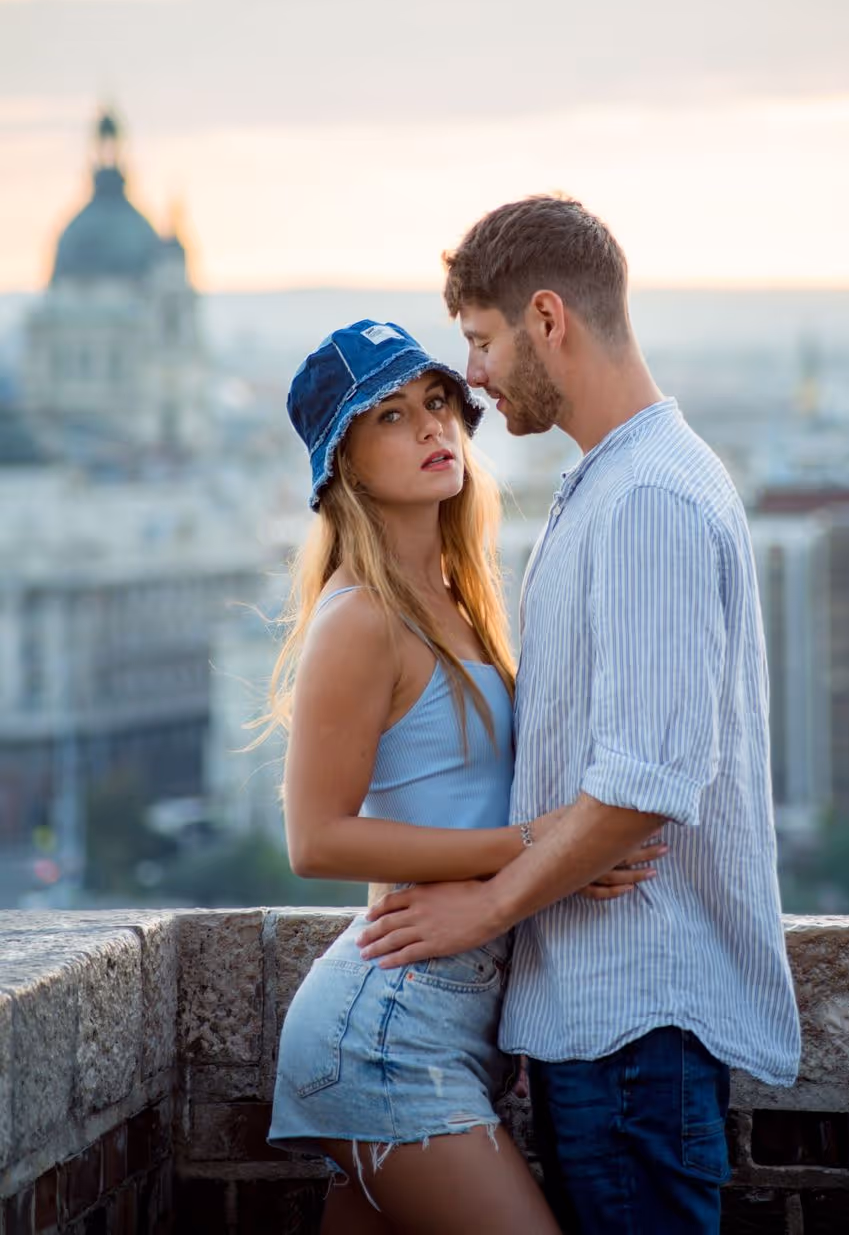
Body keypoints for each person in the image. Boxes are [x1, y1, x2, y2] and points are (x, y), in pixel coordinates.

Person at [359, 198, 802, 1235]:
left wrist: (483, 910)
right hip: (604, 1025)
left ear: (547, 318)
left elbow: (646, 783)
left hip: (631, 1025)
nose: (469, 374)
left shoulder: (648, 495)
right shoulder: (615, 480)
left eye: (480, 339)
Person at [264, 318, 663, 1235]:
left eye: (439, 402)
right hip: (389, 1034)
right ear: (347, 468)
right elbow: (315, 840)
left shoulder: (459, 601)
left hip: (450, 1023)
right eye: (392, 418)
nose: (433, 428)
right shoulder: (359, 618)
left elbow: (419, 817)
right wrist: (543, 846)